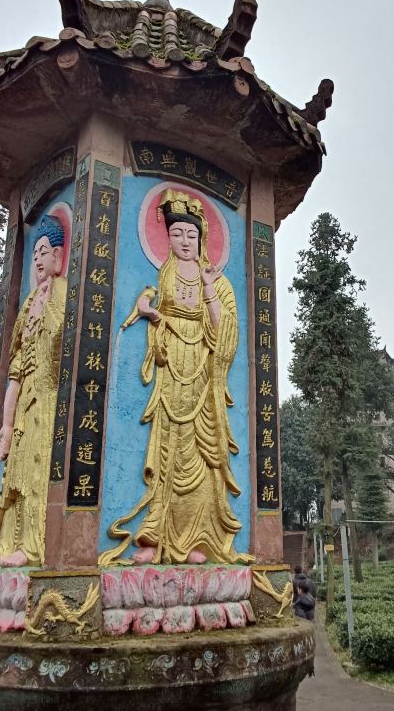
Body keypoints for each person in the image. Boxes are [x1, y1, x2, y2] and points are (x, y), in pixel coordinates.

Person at [111, 189, 252, 565]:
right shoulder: (166, 275)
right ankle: (155, 536)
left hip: (203, 374)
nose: (185, 241)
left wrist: (208, 287)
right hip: (171, 372)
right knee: (167, 450)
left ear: (202, 238)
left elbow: (224, 331)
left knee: (202, 456)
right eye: (176, 234)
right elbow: (159, 314)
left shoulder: (217, 281)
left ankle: (197, 539)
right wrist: (150, 312)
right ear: (168, 239)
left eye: (191, 235)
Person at [0, 215, 67, 568]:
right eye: (35, 254)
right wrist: (5, 421)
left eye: (44, 252)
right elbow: (15, 367)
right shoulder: (29, 304)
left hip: (46, 398)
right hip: (24, 398)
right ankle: (4, 543)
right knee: (13, 473)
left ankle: (31, 547)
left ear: (58, 256)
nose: (38, 260)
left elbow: (62, 343)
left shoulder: (62, 294)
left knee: (35, 473)